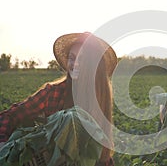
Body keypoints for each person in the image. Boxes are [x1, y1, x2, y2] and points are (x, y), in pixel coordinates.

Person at [0, 32, 118, 166]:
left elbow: (102, 156)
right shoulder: (53, 92)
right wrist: (3, 144)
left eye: (82, 59)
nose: (75, 64)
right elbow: (10, 116)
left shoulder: (100, 100)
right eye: (72, 58)